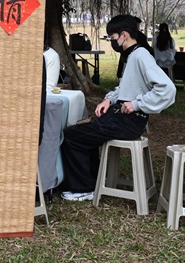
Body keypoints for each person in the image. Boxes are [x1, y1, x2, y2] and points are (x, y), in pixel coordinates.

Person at [60, 14, 176, 201]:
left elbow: (167, 89)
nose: (112, 42)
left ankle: (84, 187)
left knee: (71, 136)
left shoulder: (140, 55)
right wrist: (109, 99)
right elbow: (127, 87)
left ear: (124, 35)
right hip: (122, 117)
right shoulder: (133, 55)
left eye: (112, 38)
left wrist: (137, 104)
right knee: (84, 131)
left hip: (128, 121)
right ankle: (91, 181)